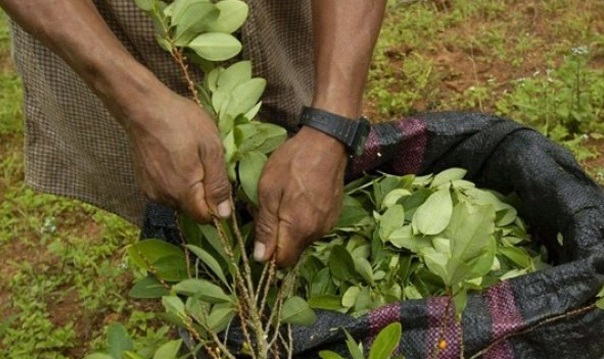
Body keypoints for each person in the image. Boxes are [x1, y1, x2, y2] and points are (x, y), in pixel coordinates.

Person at [0, 0, 387, 267]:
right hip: (110, 35)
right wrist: (135, 102)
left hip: (278, 23)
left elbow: (329, 120)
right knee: (183, 194)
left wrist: (332, 123)